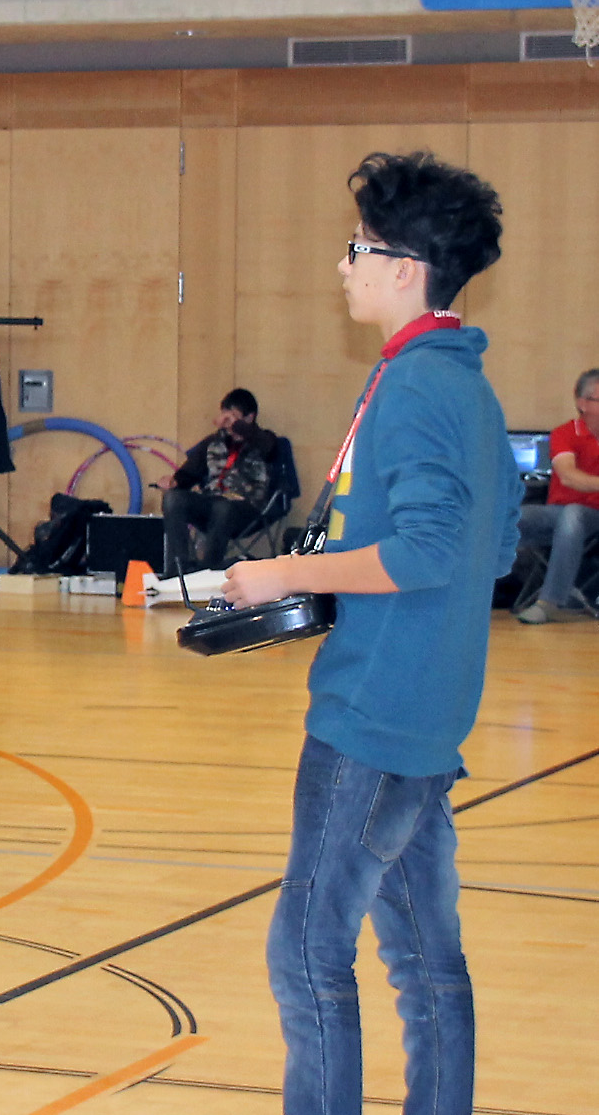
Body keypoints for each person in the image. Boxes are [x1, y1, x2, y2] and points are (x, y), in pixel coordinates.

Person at [223, 151, 519, 1115]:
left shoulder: (417, 387)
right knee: (427, 961)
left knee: (306, 951)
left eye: (357, 249)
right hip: (427, 713)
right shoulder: (466, 385)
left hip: (372, 716)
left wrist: (287, 574)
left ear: (404, 270)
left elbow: (429, 549)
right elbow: (492, 547)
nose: (341, 266)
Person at [159, 387, 277, 572]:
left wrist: (238, 427)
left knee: (223, 507)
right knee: (173, 499)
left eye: (233, 416)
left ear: (249, 418)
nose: (227, 422)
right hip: (211, 502)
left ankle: (209, 569)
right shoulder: (213, 442)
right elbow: (190, 472)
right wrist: (176, 481)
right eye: (225, 416)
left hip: (246, 508)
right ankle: (178, 568)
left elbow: (269, 449)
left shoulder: (264, 440)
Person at [514, 367, 599, 623]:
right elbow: (568, 475)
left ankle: (549, 602)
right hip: (558, 513)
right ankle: (471, 593)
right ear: (582, 403)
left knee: (573, 516)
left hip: (593, 515)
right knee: (506, 516)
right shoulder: (565, 433)